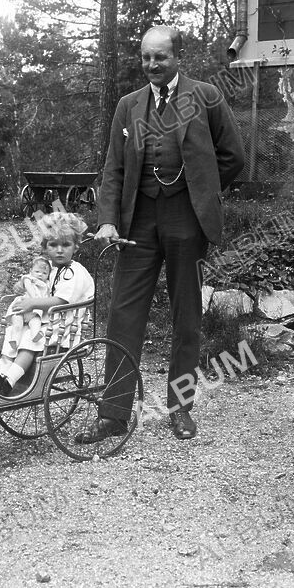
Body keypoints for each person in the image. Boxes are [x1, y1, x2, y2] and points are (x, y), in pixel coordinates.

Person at [77, 25, 244, 443]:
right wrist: (108, 220)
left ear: (177, 58)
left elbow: (233, 156)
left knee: (186, 315)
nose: (152, 65)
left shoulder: (206, 96)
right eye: (146, 57)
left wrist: (201, 191)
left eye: (160, 57)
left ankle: (180, 407)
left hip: (187, 218)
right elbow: (114, 168)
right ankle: (114, 414)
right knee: (123, 313)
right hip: (138, 220)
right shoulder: (128, 105)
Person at [0, 213, 94, 397]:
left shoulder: (75, 272)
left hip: (66, 325)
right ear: (45, 247)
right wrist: (24, 286)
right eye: (53, 245)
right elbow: (38, 286)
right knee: (13, 332)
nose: (59, 250)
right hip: (51, 319)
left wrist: (32, 303)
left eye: (66, 245)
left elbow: (61, 300)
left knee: (30, 338)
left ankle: (9, 381)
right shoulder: (52, 269)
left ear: (76, 246)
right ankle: (0, 374)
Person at [4, 255, 52, 340]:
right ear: (31, 271)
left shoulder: (47, 284)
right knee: (17, 323)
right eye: (37, 271)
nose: (40, 275)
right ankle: (14, 339)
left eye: (44, 273)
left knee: (36, 322)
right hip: (24, 304)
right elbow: (29, 288)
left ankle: (35, 336)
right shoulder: (28, 278)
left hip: (36, 310)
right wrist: (35, 299)